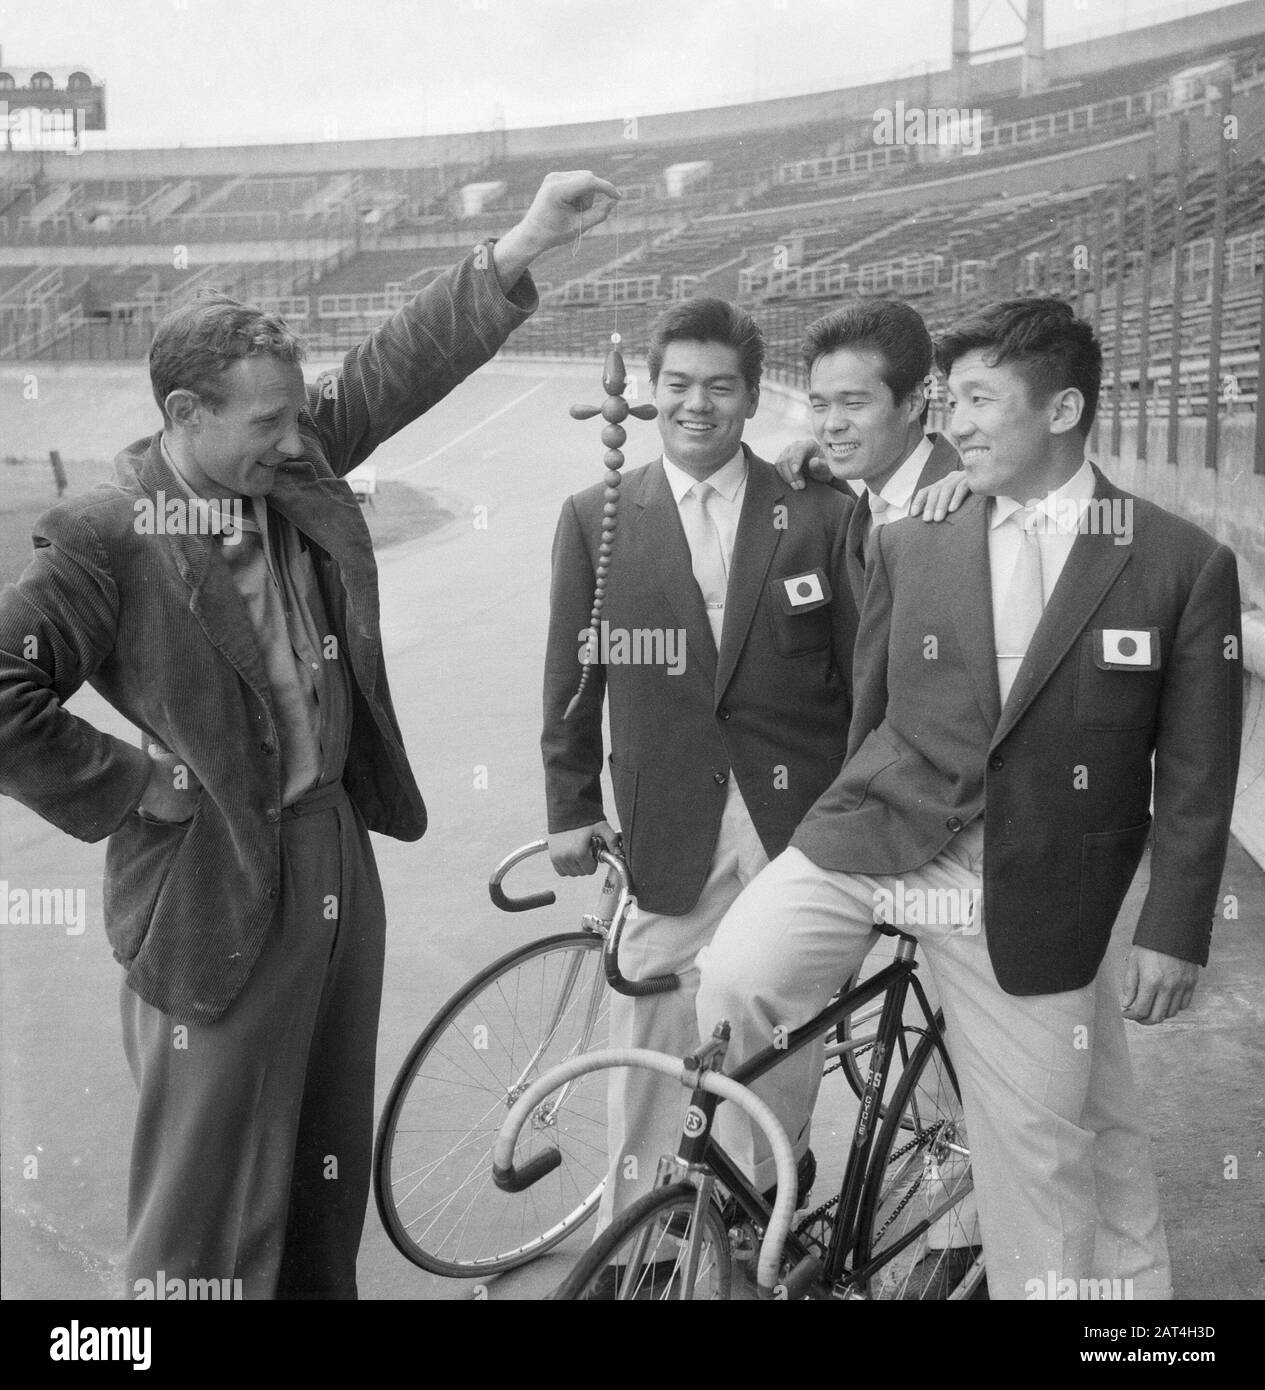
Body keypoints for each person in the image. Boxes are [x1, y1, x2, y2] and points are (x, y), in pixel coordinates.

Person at [0, 169, 618, 1300]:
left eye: (299, 413)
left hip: (333, 843)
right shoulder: (109, 531)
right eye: (268, 418)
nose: (300, 436)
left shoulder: (288, 461)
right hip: (214, 872)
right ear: (186, 416)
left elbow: (393, 364)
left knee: (320, 1160)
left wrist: (523, 242)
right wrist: (129, 780)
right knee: (206, 1204)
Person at [695, 297, 1243, 1300]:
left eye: (980, 400)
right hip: (873, 838)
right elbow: (871, 710)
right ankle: (767, 1195)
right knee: (736, 973)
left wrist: (1173, 929)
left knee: (1040, 1158)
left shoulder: (1176, 563)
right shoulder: (915, 536)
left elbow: (1200, 778)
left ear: (1065, 407)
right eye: (950, 399)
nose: (955, 421)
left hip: (1023, 888)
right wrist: (825, 827)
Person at [541, 297, 859, 1268]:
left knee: (780, 1034)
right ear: (649, 392)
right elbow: (571, 673)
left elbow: (860, 675)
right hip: (666, 825)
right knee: (651, 1039)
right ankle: (630, 1253)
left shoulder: (816, 510)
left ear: (753, 396)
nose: (695, 403)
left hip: (792, 828)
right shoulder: (596, 517)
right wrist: (569, 804)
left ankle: (762, 1231)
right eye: (675, 384)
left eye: (718, 385)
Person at [773, 299, 965, 607]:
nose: (832, 425)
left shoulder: (973, 501)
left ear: (914, 401)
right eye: (820, 406)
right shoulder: (862, 512)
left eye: (854, 404)